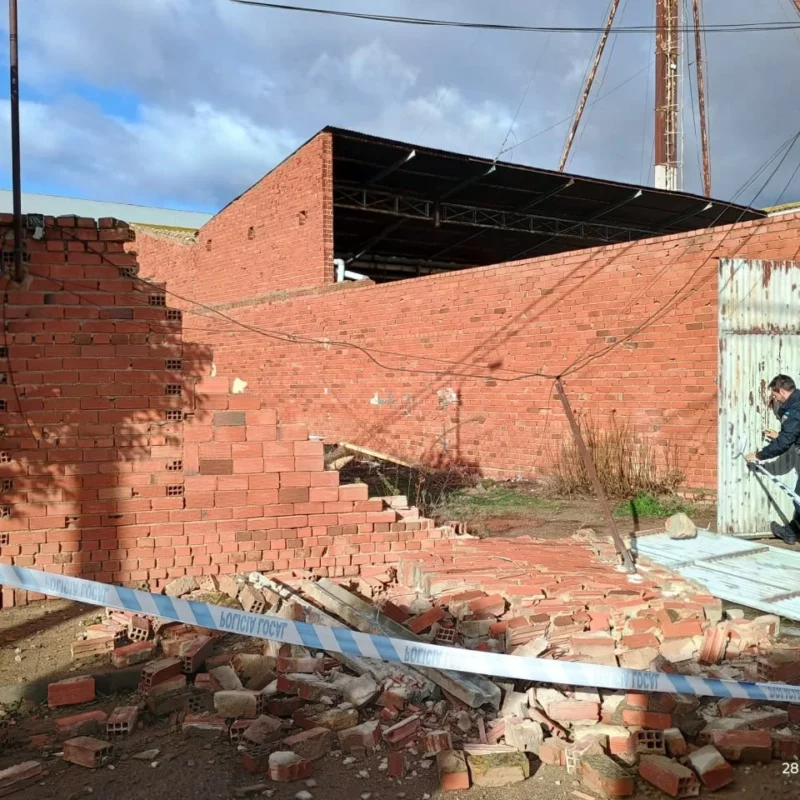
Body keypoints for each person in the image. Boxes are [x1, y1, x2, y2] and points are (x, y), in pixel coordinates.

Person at [745, 374, 800, 544]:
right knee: (797, 496)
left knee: (798, 498)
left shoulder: (795, 409)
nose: (773, 397)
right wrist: (782, 435)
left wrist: (759, 455)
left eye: (774, 394)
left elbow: (784, 443)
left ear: (782, 391)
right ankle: (791, 532)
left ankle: (791, 532)